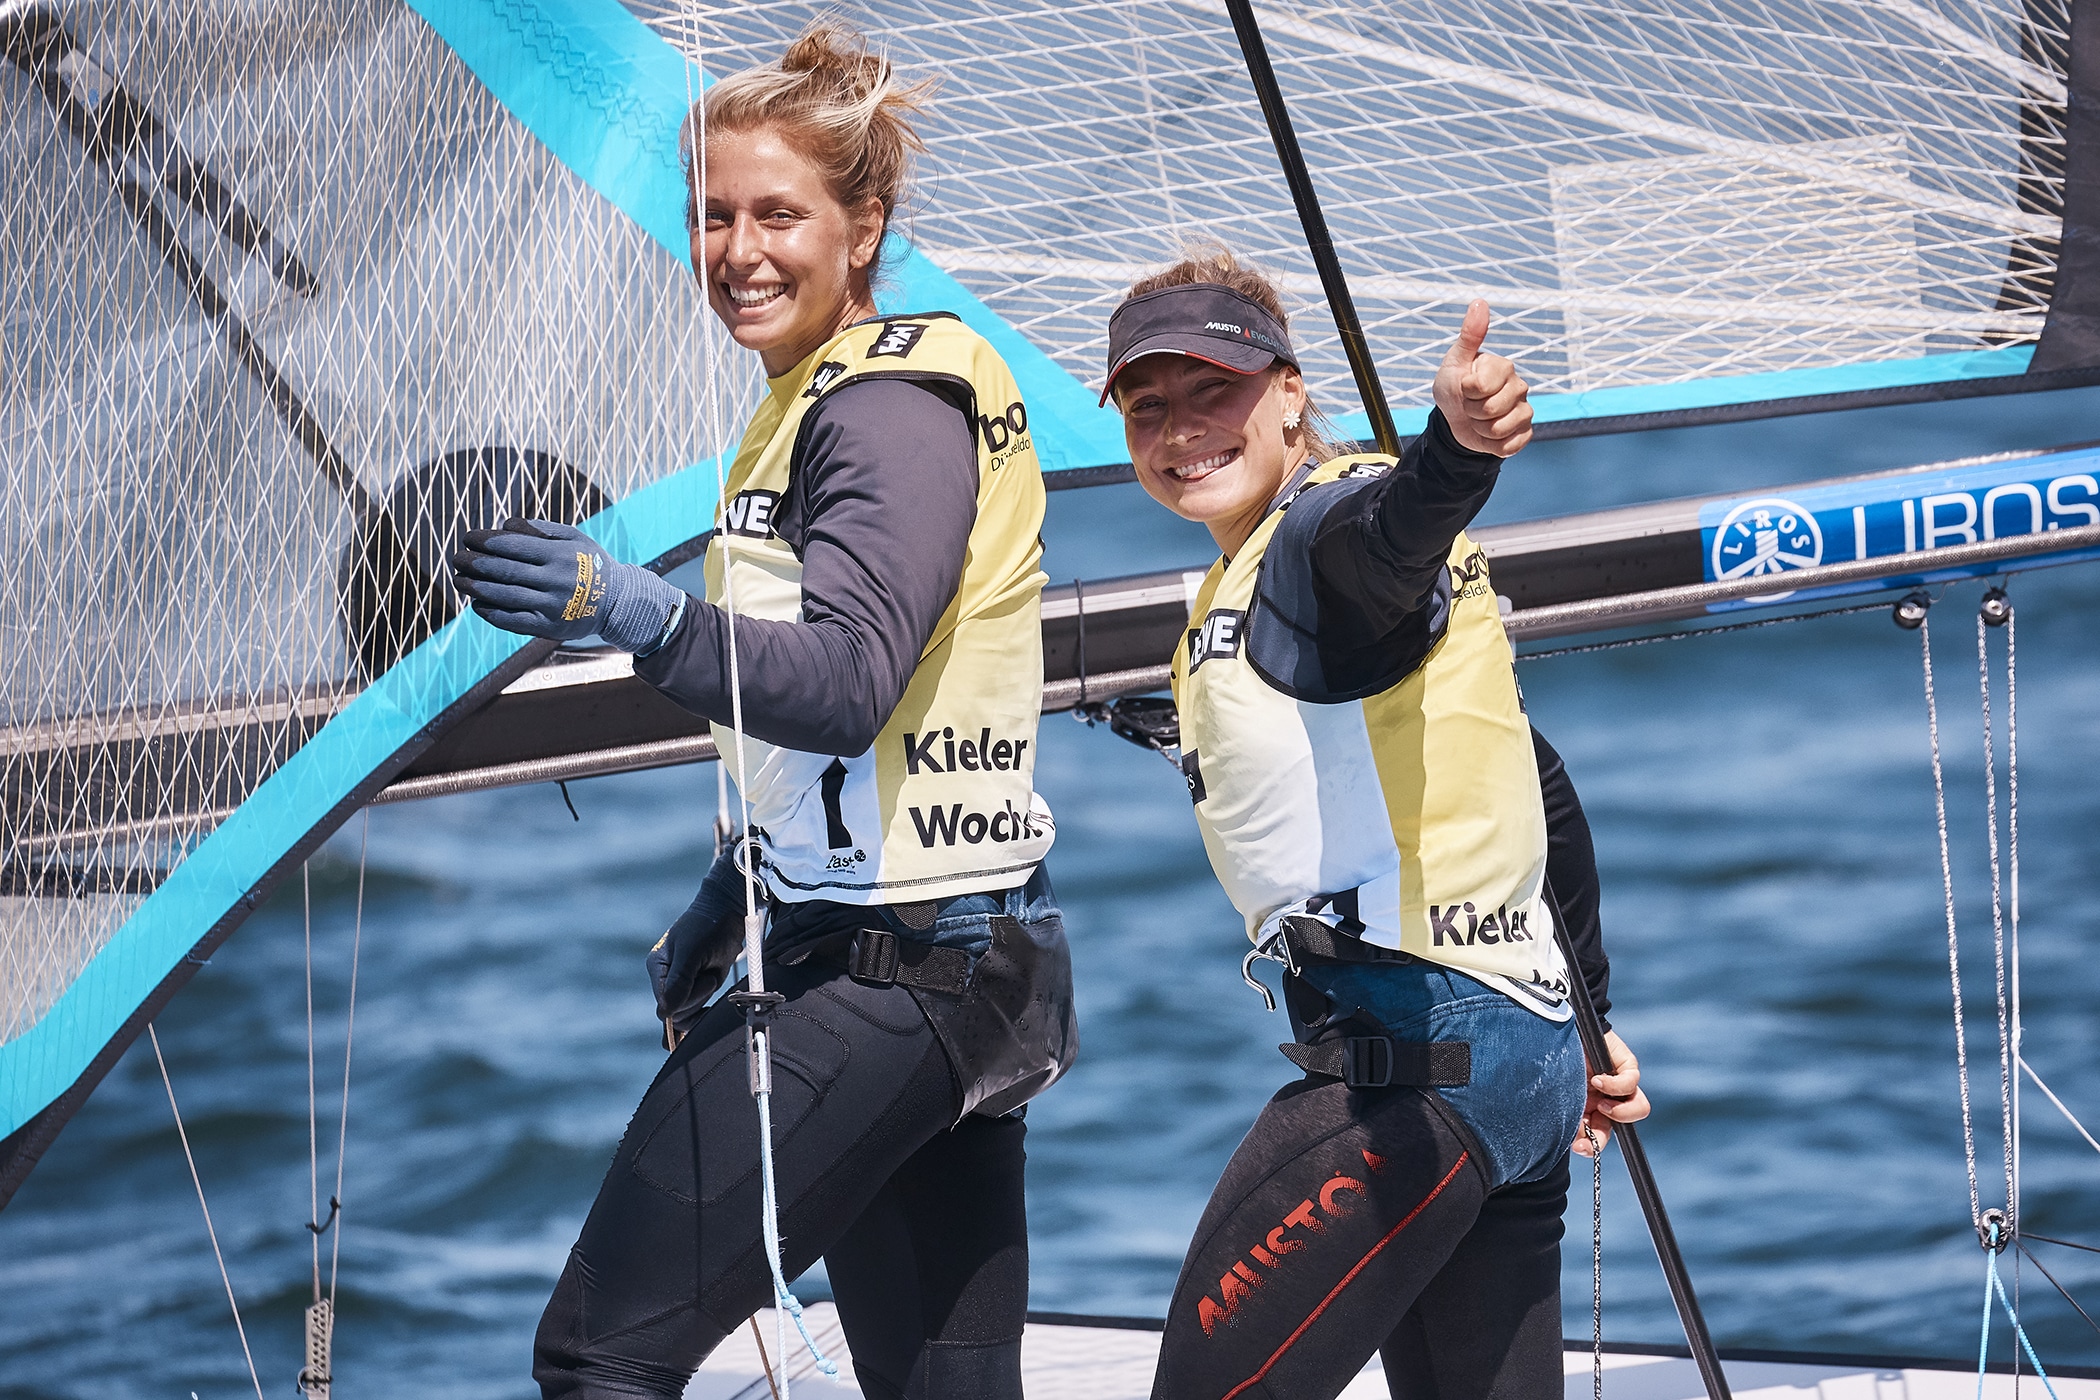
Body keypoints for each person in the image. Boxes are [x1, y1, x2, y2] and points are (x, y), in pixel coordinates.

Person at [451, 24, 1073, 1400]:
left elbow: (849, 683)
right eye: (714, 215)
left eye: (778, 214)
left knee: (598, 1358)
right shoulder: (815, 401)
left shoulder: (888, 402)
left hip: (899, 974)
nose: (738, 248)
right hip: (948, 958)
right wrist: (730, 888)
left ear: (864, 228)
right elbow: (857, 732)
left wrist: (628, 607)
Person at [1101, 247, 1649, 1400]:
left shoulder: (1316, 539)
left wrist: (1453, 451)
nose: (1181, 428)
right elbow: (1535, 776)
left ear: (1291, 392)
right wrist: (1590, 1018)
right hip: (1523, 1052)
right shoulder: (1255, 563)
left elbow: (1386, 533)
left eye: (1217, 390)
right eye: (1149, 405)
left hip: (1422, 1065)